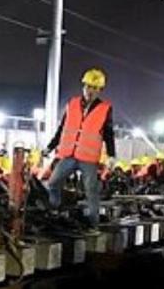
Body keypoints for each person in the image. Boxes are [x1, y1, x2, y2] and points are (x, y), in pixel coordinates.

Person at [45, 68, 115, 228]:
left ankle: (93, 223)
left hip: (88, 158)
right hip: (69, 155)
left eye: (95, 88)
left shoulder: (105, 108)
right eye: (89, 87)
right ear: (83, 86)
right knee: (53, 183)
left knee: (91, 191)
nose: (91, 91)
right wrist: (50, 147)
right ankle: (54, 211)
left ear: (100, 91)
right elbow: (62, 128)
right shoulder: (72, 104)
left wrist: (111, 155)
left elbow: (109, 133)